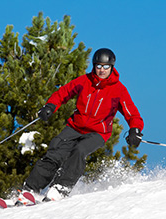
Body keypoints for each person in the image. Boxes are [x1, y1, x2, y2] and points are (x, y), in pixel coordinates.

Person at [20, 48, 144, 202]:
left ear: (112, 67)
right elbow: (63, 93)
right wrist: (50, 106)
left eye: (106, 67)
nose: (102, 70)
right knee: (55, 152)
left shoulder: (118, 90)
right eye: (98, 66)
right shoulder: (84, 81)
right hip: (74, 127)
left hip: (98, 133)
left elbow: (132, 114)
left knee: (79, 151)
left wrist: (135, 129)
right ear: (94, 66)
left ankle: (60, 188)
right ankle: (30, 189)